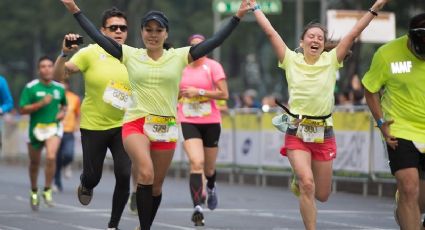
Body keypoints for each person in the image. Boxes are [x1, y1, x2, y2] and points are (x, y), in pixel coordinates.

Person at [60, 0, 249, 229]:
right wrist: (74, 9)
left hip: (165, 126)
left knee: (156, 186)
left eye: (158, 30)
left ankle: (143, 224)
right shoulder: (129, 54)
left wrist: (237, 16)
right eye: (148, 30)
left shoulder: (179, 56)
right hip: (135, 123)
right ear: (141, 32)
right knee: (145, 174)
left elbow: (215, 41)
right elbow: (97, 36)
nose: (153, 35)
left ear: (166, 33)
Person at [248, 0, 388, 229]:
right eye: (310, 36)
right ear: (301, 42)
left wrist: (375, 8)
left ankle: (299, 178)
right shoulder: (290, 60)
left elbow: (353, 33)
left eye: (320, 38)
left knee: (322, 194)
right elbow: (270, 32)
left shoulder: (331, 60)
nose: (315, 40)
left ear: (324, 45)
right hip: (297, 130)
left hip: (324, 132)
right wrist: (255, 8)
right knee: (307, 184)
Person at [53, 7, 131, 230]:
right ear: (101, 30)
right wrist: (64, 54)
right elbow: (60, 76)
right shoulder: (90, 52)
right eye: (113, 27)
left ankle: (113, 225)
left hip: (123, 125)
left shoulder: (132, 55)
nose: (118, 31)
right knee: (93, 177)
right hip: (94, 126)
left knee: (124, 174)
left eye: (122, 28)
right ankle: (86, 184)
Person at [362, 12, 425, 230]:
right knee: (409, 188)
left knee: (420, 200)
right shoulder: (387, 54)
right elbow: (370, 89)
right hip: (400, 129)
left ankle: (406, 209)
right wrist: (381, 123)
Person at [177, 34, 229, 226]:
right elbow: (173, 92)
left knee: (208, 168)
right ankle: (197, 207)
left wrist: (198, 92)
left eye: (201, 46)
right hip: (188, 119)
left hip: (211, 121)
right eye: (193, 47)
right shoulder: (181, 67)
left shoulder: (213, 66)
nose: (197, 50)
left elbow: (224, 93)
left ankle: (212, 186)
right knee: (196, 162)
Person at [19, 56, 67, 211]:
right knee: (34, 163)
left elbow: (64, 106)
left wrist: (62, 113)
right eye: (43, 66)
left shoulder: (59, 88)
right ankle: (34, 191)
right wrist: (41, 104)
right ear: (39, 70)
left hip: (53, 127)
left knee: (51, 156)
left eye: (49, 66)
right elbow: (22, 109)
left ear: (53, 68)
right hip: (35, 129)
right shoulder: (31, 87)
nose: (47, 69)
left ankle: (47, 189)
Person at [53, 80, 80, 192]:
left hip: (69, 131)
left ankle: (66, 164)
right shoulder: (54, 96)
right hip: (55, 130)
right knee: (56, 158)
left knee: (69, 154)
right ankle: (57, 183)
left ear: (68, 85)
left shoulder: (74, 98)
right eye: (61, 83)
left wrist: (77, 125)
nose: (63, 85)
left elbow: (78, 114)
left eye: (65, 83)